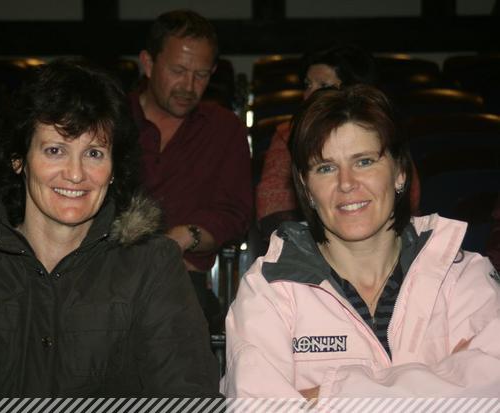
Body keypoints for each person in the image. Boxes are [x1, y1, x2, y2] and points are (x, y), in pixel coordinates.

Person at [0, 58, 220, 397]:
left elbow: (189, 399)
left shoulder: (152, 265)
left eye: (94, 153)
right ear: (19, 159)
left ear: (113, 169)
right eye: (55, 150)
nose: (75, 174)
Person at [223, 85, 500, 398]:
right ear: (306, 187)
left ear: (400, 172)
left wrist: (324, 398)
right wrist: (446, 383)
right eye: (326, 168)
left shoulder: (462, 276)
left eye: (364, 161)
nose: (346, 183)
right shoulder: (269, 289)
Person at [131, 9, 253, 331]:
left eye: (201, 75)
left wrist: (188, 236)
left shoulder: (224, 129)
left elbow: (234, 214)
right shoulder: (112, 121)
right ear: (148, 63)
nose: (188, 86)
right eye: (178, 71)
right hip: (104, 273)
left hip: (181, 283)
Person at [255, 44, 421, 241]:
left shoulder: (383, 134)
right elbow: (271, 211)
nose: (309, 95)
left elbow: (410, 201)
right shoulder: (287, 136)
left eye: (364, 162)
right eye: (307, 85)